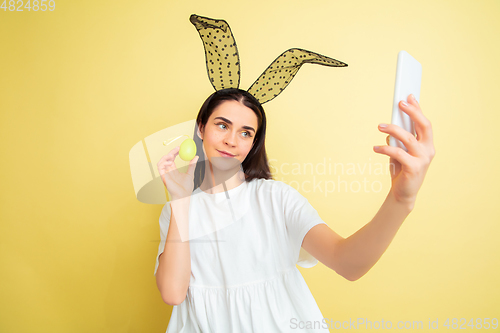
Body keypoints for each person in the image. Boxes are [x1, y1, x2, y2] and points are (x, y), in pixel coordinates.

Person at [154, 88, 435, 332]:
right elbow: (173, 293)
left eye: (245, 133)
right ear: (201, 128)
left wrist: (401, 200)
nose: (232, 141)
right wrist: (180, 201)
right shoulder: (177, 209)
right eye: (222, 126)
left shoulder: (276, 198)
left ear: (253, 144)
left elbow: (348, 263)